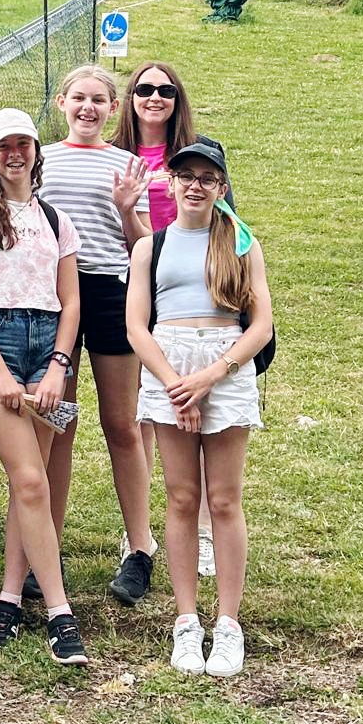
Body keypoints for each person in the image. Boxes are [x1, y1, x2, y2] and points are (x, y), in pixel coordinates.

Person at [125, 140, 272, 679]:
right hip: (170, 364)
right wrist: (176, 386)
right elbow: (136, 326)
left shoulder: (240, 244)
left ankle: (228, 623)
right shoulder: (152, 247)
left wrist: (211, 376)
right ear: (171, 182)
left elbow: (260, 325)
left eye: (207, 178)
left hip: (224, 366)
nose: (195, 185)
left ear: (221, 188)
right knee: (183, 496)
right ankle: (186, 621)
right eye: (185, 175)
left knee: (224, 499)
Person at [0, 109, 88, 665]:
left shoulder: (56, 219)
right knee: (30, 479)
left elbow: (71, 300)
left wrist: (59, 366)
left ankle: (9, 597)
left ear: (35, 151)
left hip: (49, 348)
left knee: (32, 487)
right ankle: (59, 611)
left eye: (23, 144)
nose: (14, 154)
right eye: (4, 145)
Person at [113, 62, 234, 578]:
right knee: (144, 409)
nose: (154, 97)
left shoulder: (198, 155)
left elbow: (229, 223)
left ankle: (203, 530)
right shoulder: (117, 155)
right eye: (144, 88)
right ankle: (137, 529)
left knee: (201, 409)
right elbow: (127, 236)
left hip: (193, 289)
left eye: (165, 90)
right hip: (138, 283)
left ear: (177, 99)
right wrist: (129, 215)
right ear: (131, 98)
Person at [39, 64, 153, 605]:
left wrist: (128, 210)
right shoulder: (41, 159)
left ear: (113, 108)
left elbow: (142, 244)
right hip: (54, 294)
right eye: (79, 98)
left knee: (121, 423)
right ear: (61, 102)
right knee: (57, 421)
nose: (88, 108)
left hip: (110, 290)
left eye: (99, 100)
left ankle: (140, 547)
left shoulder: (125, 163)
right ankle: (48, 546)